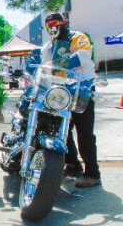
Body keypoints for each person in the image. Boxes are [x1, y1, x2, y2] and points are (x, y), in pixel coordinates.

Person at [42, 12, 101, 187]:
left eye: (55, 25)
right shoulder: (49, 45)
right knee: (62, 129)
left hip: (81, 90)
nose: (52, 29)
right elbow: (40, 60)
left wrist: (57, 63)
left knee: (84, 133)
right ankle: (73, 165)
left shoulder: (78, 37)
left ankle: (93, 173)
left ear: (63, 23)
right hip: (61, 91)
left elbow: (83, 56)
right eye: (49, 27)